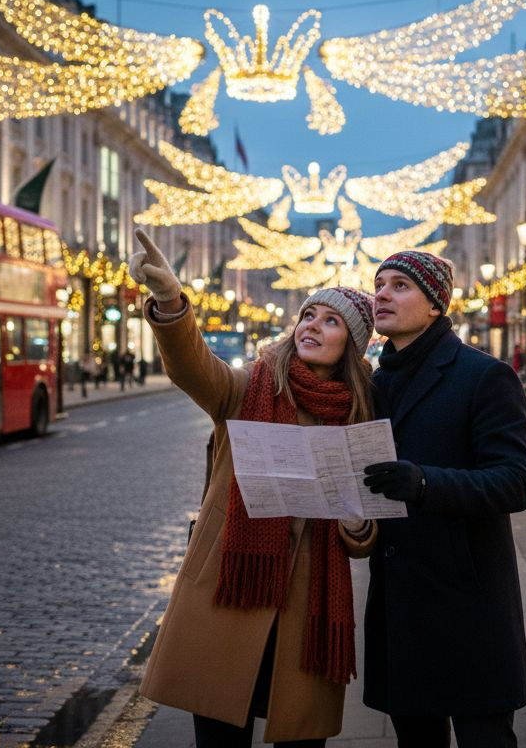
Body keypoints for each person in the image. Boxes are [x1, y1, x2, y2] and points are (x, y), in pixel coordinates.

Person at [129, 229, 378, 747]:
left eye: (331, 322)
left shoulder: (360, 416)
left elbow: (364, 529)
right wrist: (172, 304)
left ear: (350, 345)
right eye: (310, 314)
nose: (313, 325)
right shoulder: (250, 386)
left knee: (300, 738)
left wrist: (358, 525)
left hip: (307, 610)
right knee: (219, 737)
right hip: (231, 586)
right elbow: (193, 366)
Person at [360, 251, 526, 747]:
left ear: (436, 303)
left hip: (468, 600)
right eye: (379, 284)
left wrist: (424, 484)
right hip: (401, 601)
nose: (382, 294)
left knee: (485, 738)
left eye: (399, 286)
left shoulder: (483, 375)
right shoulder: (376, 382)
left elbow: (515, 482)